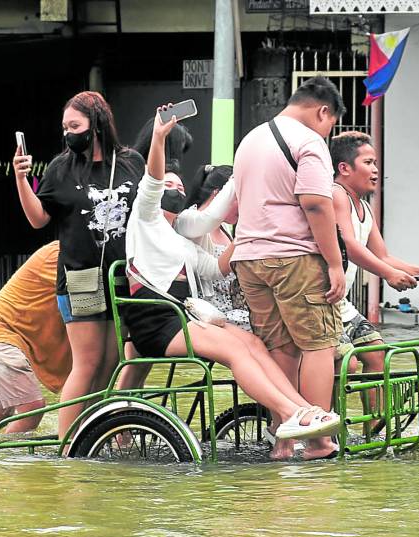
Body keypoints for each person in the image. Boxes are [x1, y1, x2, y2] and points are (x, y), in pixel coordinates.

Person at [123, 106, 342, 458]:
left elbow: (214, 268)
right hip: (156, 321)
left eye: (180, 186)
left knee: (253, 343)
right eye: (169, 185)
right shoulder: (144, 219)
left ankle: (303, 410)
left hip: (186, 318)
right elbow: (151, 182)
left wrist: (251, 230)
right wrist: (160, 139)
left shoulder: (179, 237)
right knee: (233, 349)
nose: (175, 189)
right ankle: (290, 414)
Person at [13, 90, 145, 444]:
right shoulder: (60, 167)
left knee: (111, 362)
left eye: (75, 125)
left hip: (121, 276)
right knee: (87, 363)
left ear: (97, 124)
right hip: (82, 277)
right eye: (65, 127)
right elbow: (39, 219)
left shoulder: (131, 162)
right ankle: (68, 443)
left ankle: (95, 433)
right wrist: (22, 180)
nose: (69, 133)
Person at [230, 77, 348, 460]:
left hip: (249, 259)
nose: (327, 133)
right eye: (330, 125)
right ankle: (316, 440)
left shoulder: (250, 139)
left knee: (281, 347)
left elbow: (234, 207)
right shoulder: (308, 140)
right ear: (323, 111)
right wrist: (334, 263)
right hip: (293, 257)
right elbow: (315, 203)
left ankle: (283, 439)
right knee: (319, 344)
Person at [330, 130, 419, 367]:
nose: (375, 170)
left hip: (342, 305)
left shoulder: (365, 208)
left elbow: (383, 256)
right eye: (368, 163)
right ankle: (327, 407)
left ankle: (375, 407)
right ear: (344, 168)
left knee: (376, 355)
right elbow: (348, 245)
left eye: (375, 163)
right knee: (345, 365)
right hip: (322, 300)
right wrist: (388, 274)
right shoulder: (336, 195)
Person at [0, 241, 72, 434]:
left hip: (1, 336)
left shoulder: (64, 250)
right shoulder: (63, 254)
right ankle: (11, 458)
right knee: (32, 409)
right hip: (1, 336)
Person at [173, 165, 249, 330]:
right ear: (219, 194)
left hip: (233, 307)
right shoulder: (187, 220)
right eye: (239, 198)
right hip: (207, 310)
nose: (244, 206)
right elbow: (209, 219)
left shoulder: (226, 229)